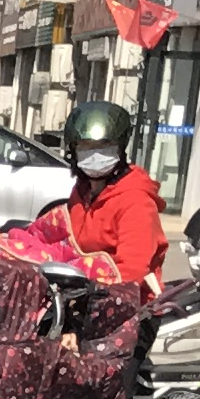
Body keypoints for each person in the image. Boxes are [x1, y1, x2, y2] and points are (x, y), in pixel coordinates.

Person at [54, 97, 164, 287]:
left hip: (124, 298)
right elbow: (56, 237)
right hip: (76, 293)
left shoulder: (137, 202)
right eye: (86, 146)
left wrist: (89, 286)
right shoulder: (81, 193)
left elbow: (132, 269)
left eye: (104, 145)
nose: (94, 154)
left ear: (119, 148)